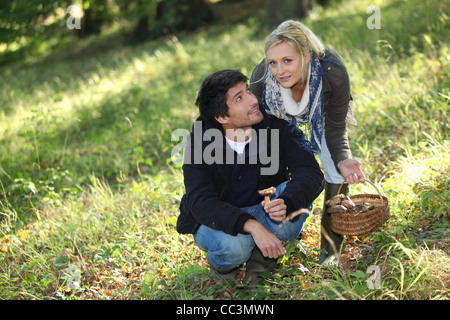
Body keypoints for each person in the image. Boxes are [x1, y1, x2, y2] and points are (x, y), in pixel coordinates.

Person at [176, 69, 324, 284]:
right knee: (233, 249)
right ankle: (226, 268)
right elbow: (200, 201)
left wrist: (287, 201)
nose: (253, 100)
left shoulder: (276, 124)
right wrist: (252, 226)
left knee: (295, 202)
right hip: (223, 218)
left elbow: (310, 172)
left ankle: (262, 258)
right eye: (239, 98)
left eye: (248, 91)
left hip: (266, 209)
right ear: (222, 117)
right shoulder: (200, 140)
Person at [249, 20, 366, 265]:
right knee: (270, 164)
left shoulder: (332, 73)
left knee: (336, 168)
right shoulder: (262, 79)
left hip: (320, 113)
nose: (279, 70)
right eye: (273, 62)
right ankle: (267, 248)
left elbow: (334, 128)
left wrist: (343, 159)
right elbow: (256, 128)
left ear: (306, 55)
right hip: (276, 116)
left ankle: (330, 250)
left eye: (287, 61)